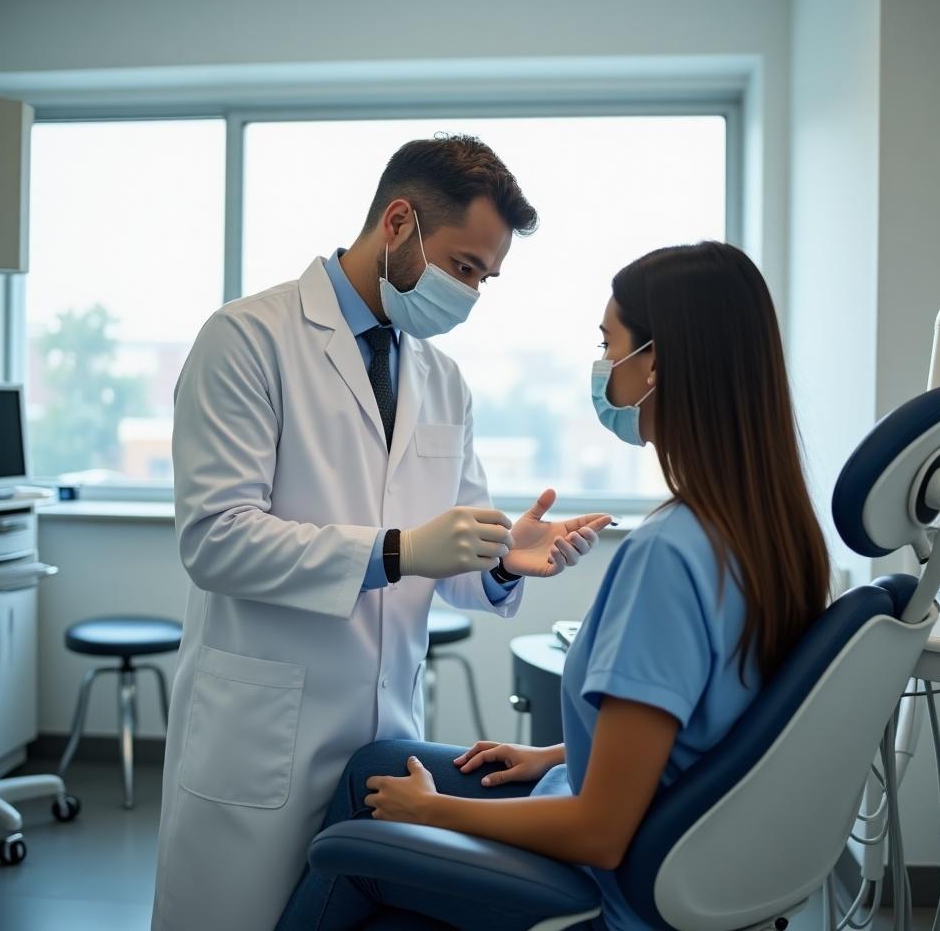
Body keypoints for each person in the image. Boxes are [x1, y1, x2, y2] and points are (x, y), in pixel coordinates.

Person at [277, 241, 831, 931]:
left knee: (363, 830)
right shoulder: (776, 532)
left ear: (654, 363)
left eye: (609, 344)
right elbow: (717, 728)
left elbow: (600, 830)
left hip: (612, 882)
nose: (602, 368)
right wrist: (555, 754)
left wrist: (434, 812)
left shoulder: (668, 555)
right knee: (380, 763)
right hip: (655, 830)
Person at [152, 135, 613, 931]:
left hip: (385, 729)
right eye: (465, 268)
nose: (471, 293)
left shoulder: (440, 378)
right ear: (398, 223)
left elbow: (451, 551)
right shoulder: (247, 338)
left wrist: (505, 558)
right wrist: (395, 551)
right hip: (262, 732)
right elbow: (216, 539)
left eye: (485, 279)